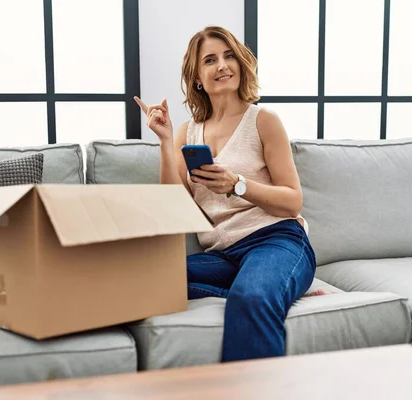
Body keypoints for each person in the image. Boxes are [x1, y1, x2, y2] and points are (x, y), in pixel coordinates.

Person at [134, 26, 318, 362]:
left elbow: (293, 200)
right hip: (223, 255)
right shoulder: (187, 133)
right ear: (198, 78)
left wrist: (239, 185)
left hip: (276, 239)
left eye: (229, 55)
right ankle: (277, 285)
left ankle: (269, 286)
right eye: (210, 59)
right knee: (146, 277)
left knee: (252, 298)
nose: (223, 65)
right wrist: (163, 140)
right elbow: (175, 205)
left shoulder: (263, 120)